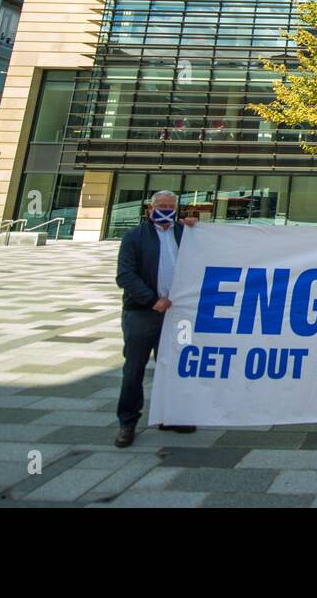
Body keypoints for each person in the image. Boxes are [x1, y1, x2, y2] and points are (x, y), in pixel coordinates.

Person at [114, 190, 198, 448]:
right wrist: (152, 300)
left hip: (176, 314)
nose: (165, 209)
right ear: (150, 208)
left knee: (173, 367)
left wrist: (198, 228)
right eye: (161, 205)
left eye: (170, 206)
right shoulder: (134, 237)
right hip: (142, 313)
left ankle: (170, 416)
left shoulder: (184, 233)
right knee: (134, 369)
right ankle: (127, 423)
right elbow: (124, 276)